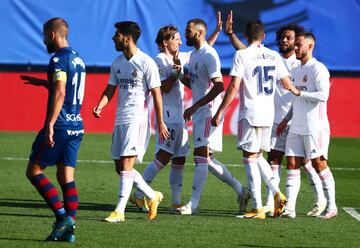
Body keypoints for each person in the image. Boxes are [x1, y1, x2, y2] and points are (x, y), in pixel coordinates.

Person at [223, 12, 326, 217]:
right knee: (273, 160)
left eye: (290, 38)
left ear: (298, 41)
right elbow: (248, 54)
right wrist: (231, 34)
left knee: (304, 162)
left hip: (293, 119)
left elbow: (246, 57)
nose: (285, 41)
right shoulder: (274, 58)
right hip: (274, 118)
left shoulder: (301, 64)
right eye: (283, 37)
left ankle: (320, 199)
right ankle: (274, 200)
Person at [131, 12, 233, 212]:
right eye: (176, 38)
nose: (180, 41)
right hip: (168, 114)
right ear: (165, 42)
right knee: (163, 156)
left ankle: (176, 200)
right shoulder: (159, 61)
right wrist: (176, 73)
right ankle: (139, 193)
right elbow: (163, 88)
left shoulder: (177, 57)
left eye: (181, 37)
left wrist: (216, 32)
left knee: (179, 158)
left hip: (179, 115)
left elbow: (202, 49)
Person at [212, 20, 297, 219]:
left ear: (246, 36)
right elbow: (286, 83)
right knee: (257, 155)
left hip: (250, 112)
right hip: (269, 114)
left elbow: (233, 86)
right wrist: (296, 91)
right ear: (263, 37)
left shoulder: (241, 55)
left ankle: (258, 207)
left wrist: (221, 111)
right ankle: (277, 192)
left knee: (249, 158)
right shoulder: (274, 55)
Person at [93, 21, 170, 222]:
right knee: (120, 167)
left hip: (137, 119)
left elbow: (157, 94)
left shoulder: (146, 62)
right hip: (120, 119)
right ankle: (153, 196)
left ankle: (119, 211)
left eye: (116, 35)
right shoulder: (117, 62)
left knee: (127, 164)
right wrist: (101, 104)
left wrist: (160, 122)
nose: (113, 38)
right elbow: (111, 88)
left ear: (127, 38)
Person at [172, 18, 249, 215]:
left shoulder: (208, 54)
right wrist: (181, 78)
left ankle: (194, 204)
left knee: (200, 158)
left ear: (199, 33)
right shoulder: (197, 54)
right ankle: (242, 191)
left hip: (208, 112)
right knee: (207, 158)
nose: (185, 34)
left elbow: (219, 85)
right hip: (201, 112)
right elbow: (197, 84)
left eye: (188, 31)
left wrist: (195, 106)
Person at [23, 17, 85, 242]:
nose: (43, 41)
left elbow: (60, 92)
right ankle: (70, 233)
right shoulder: (78, 58)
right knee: (65, 177)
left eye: (44, 35)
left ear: (52, 35)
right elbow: (67, 87)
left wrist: (49, 124)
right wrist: (43, 83)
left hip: (59, 125)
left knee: (33, 171)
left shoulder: (57, 59)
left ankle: (62, 217)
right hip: (77, 124)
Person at [277, 31, 337, 219]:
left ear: (310, 47)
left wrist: (298, 92)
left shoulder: (318, 69)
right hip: (297, 125)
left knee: (319, 165)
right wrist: (286, 120)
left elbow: (323, 96)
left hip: (315, 126)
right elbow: (296, 101)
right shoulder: (296, 70)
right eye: (296, 44)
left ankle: (332, 206)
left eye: (299, 45)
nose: (296, 47)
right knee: (292, 163)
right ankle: (290, 209)